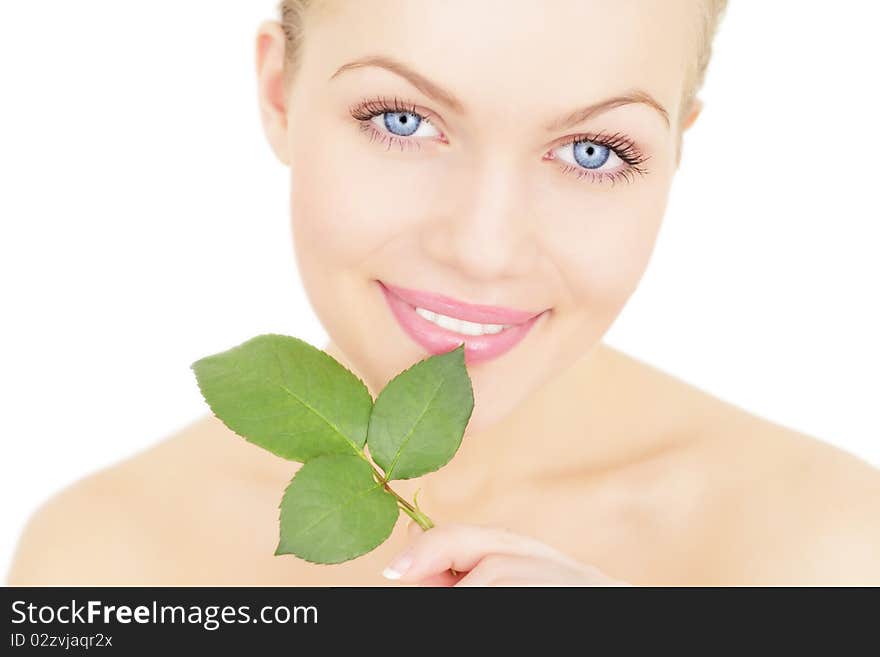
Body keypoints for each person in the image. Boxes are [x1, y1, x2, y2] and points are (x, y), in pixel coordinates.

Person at [8, 0, 880, 586]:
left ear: (677, 149)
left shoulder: (827, 549)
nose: (483, 249)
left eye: (591, 150)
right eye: (402, 120)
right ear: (280, 93)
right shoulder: (106, 563)